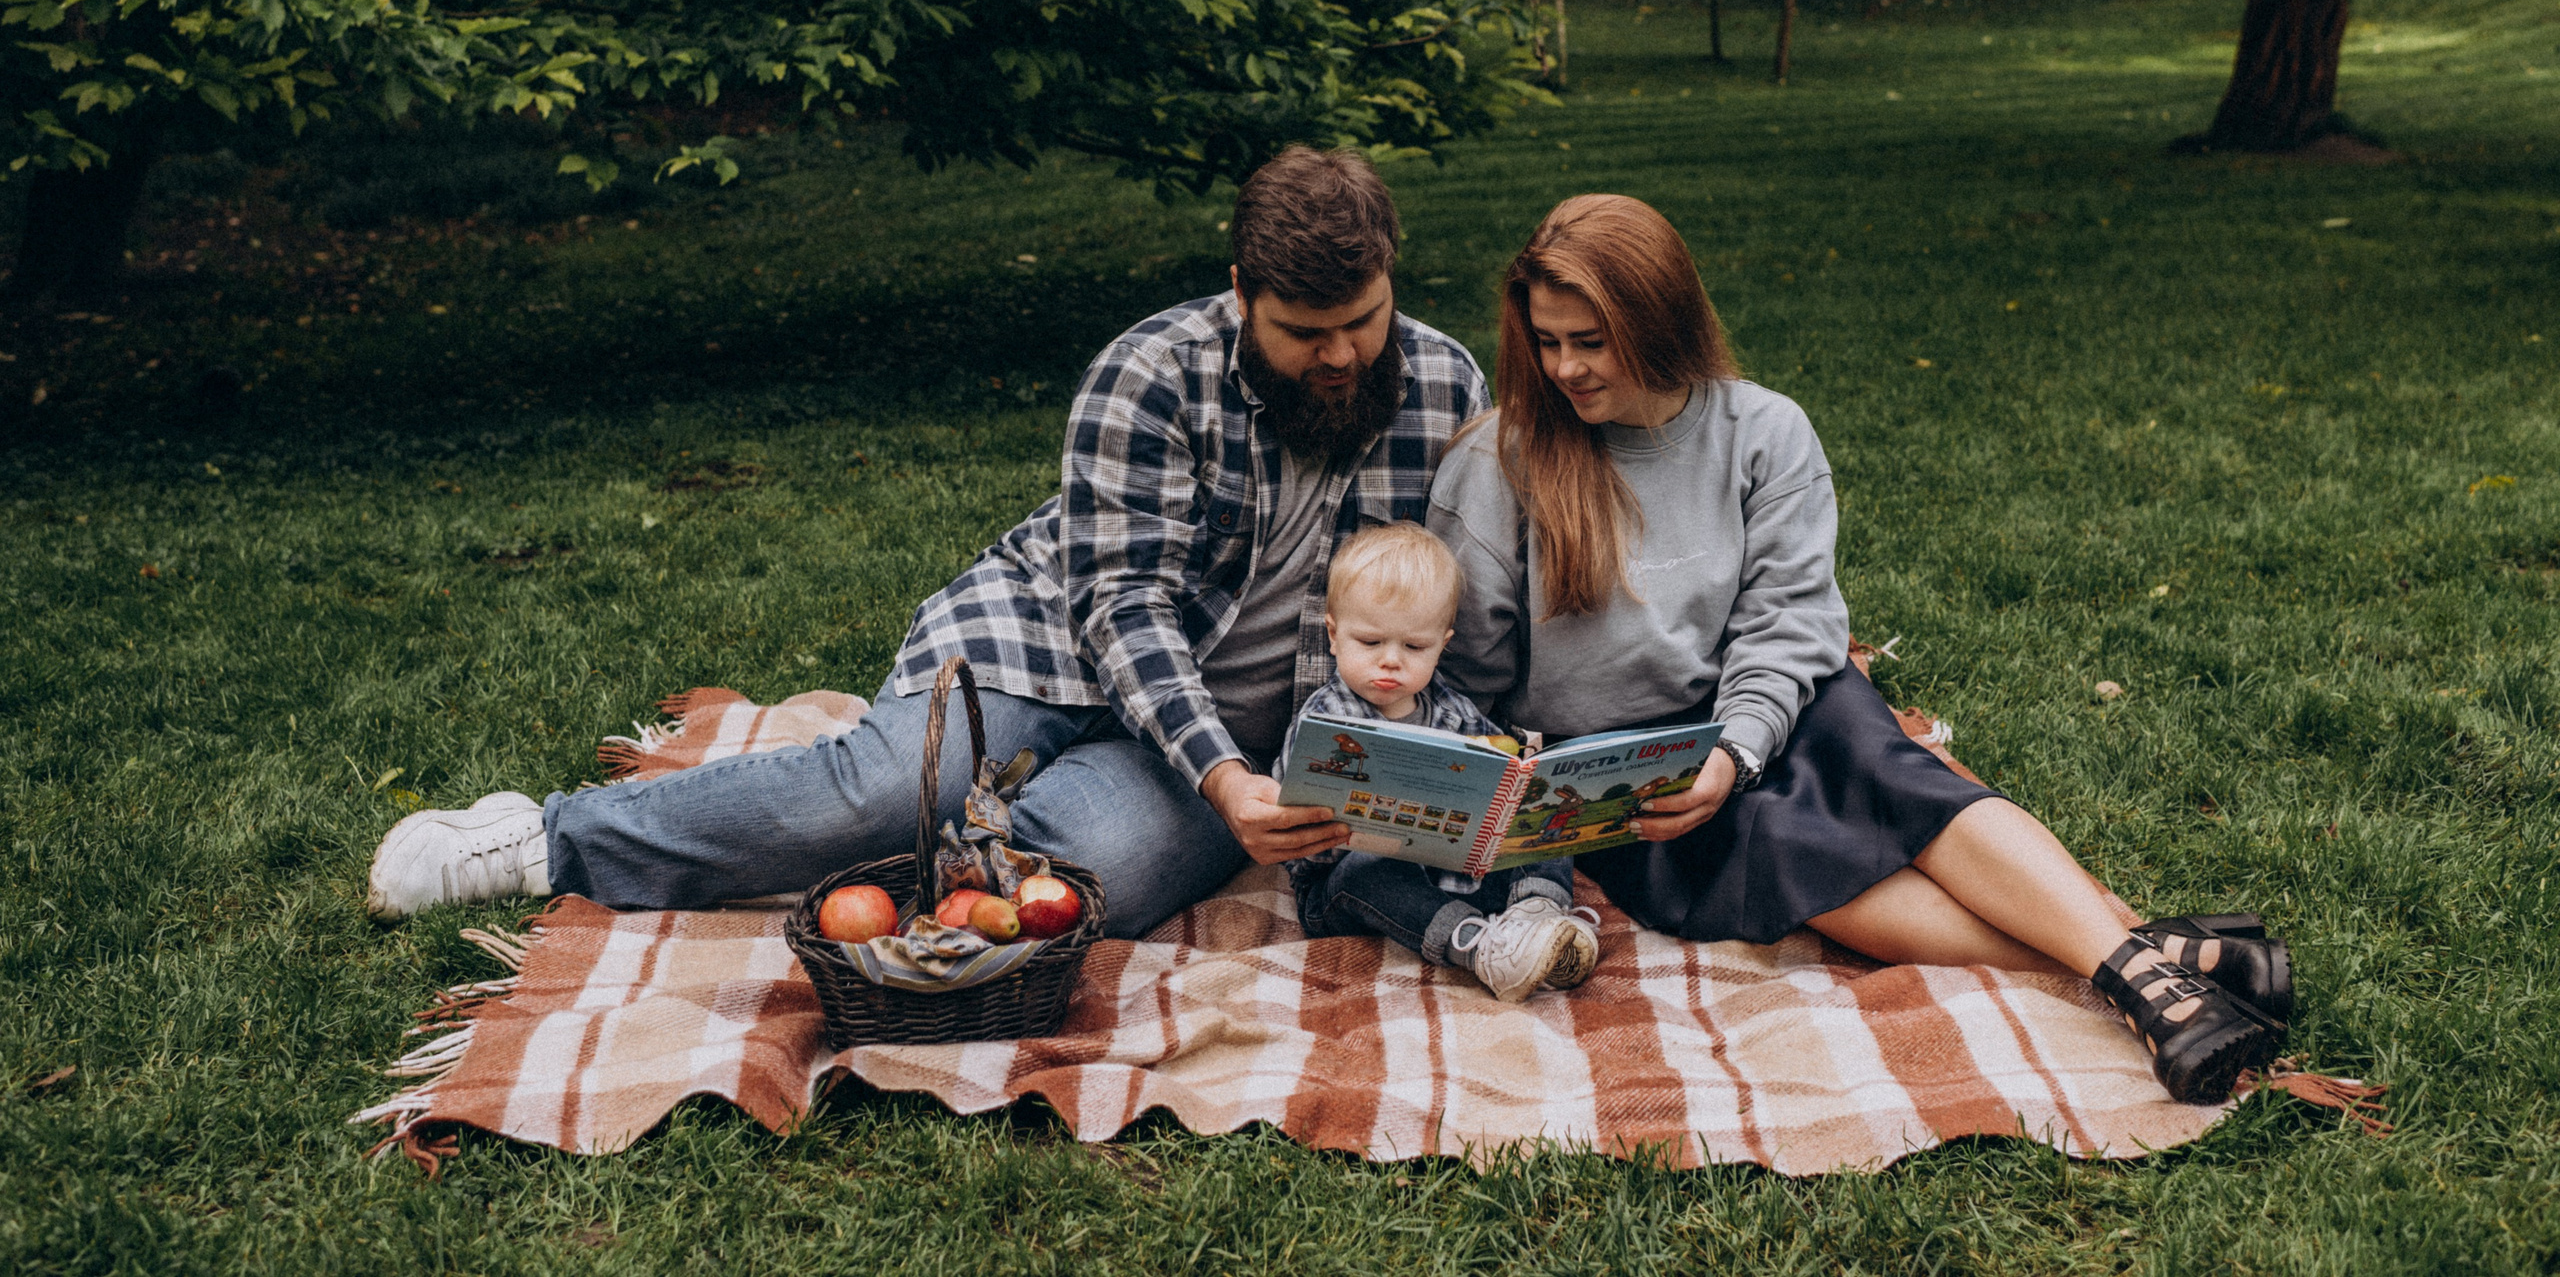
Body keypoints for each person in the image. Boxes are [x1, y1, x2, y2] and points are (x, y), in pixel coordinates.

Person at [367, 148, 1487, 936]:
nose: (1341, 354)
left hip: (1238, 737)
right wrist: (1223, 780)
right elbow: (1125, 610)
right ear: (1242, 294)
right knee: (882, 789)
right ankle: (545, 840)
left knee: (1093, 884)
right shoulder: (1150, 371)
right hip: (1047, 644)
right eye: (1306, 331)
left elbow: (1464, 603)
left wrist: (1282, 778)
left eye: (1364, 319)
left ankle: (947, 835)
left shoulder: (1445, 388)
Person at [1426, 193, 2295, 1104]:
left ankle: (2141, 980)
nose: (1565, 366)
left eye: (1590, 341)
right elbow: (1474, 681)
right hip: (1621, 772)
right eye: (1547, 340)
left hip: (1764, 704)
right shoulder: (1499, 463)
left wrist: (1735, 745)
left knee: (1892, 775)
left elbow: (1791, 621)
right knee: (1785, 851)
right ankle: (2167, 956)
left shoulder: (1761, 431)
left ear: (1658, 317)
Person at [1277, 522, 1600, 1001]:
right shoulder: (1324, 724)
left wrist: (1520, 788)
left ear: (1442, 645)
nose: (1391, 661)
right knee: (1367, 868)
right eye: (1370, 642)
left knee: (1544, 813)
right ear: (1333, 635)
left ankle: (1539, 918)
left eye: (1414, 647)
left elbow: (1503, 784)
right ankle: (1481, 948)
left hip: (1460, 878)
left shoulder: (1454, 712)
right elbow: (1298, 844)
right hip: (1349, 888)